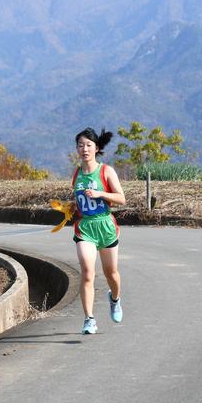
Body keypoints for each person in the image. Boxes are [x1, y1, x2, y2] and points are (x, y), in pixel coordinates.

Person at [71, 127, 126, 334]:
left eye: (88, 145)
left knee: (111, 273)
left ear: (96, 148)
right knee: (87, 272)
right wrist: (73, 207)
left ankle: (115, 299)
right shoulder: (76, 174)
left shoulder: (106, 171)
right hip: (85, 228)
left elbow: (121, 198)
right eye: (80, 145)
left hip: (106, 226)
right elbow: (79, 201)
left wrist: (100, 193)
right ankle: (89, 319)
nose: (84, 149)